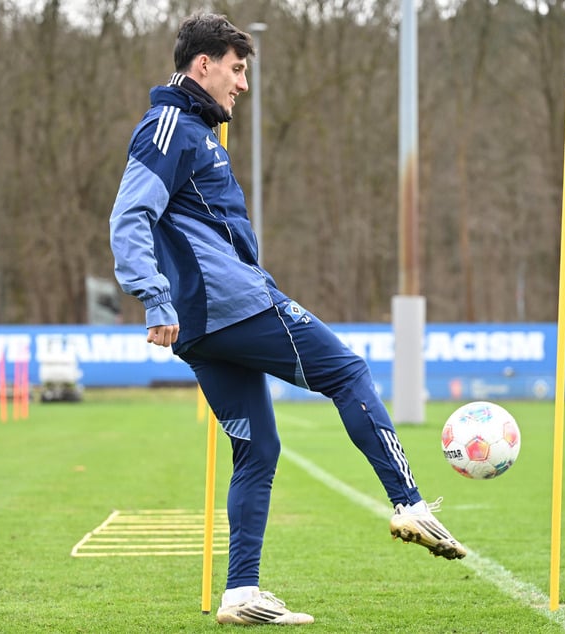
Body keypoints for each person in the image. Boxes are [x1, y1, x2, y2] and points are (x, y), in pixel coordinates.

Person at [109, 13, 466, 626]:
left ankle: (240, 594)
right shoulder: (168, 128)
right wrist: (153, 296)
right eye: (237, 69)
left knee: (257, 451)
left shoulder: (192, 131)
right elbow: (129, 215)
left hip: (206, 326)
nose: (243, 84)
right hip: (230, 305)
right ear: (203, 65)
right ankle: (407, 502)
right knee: (348, 372)